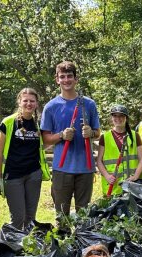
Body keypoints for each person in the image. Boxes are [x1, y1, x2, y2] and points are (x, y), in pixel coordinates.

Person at [40, 61, 100, 216]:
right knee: (62, 216)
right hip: (61, 169)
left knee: (83, 215)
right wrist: (61, 135)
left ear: (75, 79)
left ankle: (81, 239)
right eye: (62, 77)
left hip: (85, 169)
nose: (66, 80)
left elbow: (98, 132)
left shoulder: (89, 104)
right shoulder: (51, 107)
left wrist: (91, 133)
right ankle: (62, 239)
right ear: (57, 79)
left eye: (69, 76)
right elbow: (45, 139)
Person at [0, 88, 51, 230]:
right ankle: (11, 248)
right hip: (13, 175)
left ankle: (26, 248)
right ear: (19, 102)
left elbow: (40, 147)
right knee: (18, 217)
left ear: (37, 104)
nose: (29, 103)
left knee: (30, 217)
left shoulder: (37, 124)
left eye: (32, 101)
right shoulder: (8, 122)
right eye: (25, 100)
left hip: (33, 174)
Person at [96, 105, 142, 197]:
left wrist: (135, 176)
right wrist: (107, 176)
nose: (118, 118)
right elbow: (99, 161)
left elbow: (141, 159)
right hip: (112, 186)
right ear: (112, 118)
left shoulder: (135, 135)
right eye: (115, 116)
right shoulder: (105, 137)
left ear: (126, 118)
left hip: (131, 185)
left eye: (121, 116)